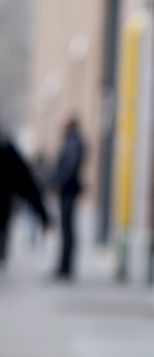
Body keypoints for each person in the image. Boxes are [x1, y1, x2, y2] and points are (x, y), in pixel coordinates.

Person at [0, 127, 50, 264]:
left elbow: (26, 182)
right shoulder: (9, 150)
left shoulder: (8, 150)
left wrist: (43, 215)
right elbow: (27, 182)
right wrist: (44, 215)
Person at [49, 117, 85, 278]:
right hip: (67, 190)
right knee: (66, 228)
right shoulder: (72, 141)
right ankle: (64, 265)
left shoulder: (73, 142)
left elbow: (69, 166)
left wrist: (59, 182)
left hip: (68, 190)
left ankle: (66, 267)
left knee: (67, 228)